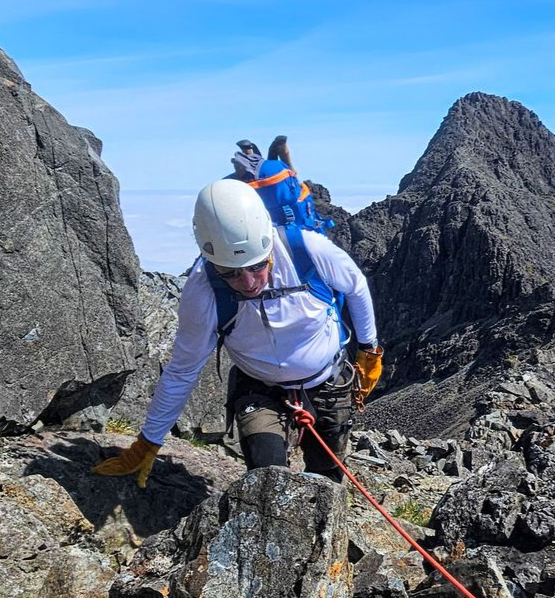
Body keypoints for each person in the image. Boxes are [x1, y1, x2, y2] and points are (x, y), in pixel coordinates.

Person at [94, 179, 381, 487]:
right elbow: (182, 371)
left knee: (327, 480)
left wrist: (369, 350)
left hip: (327, 384)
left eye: (257, 266)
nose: (248, 282)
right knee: (265, 480)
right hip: (260, 388)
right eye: (230, 273)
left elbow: (356, 287)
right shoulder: (204, 290)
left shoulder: (306, 250)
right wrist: (147, 442)